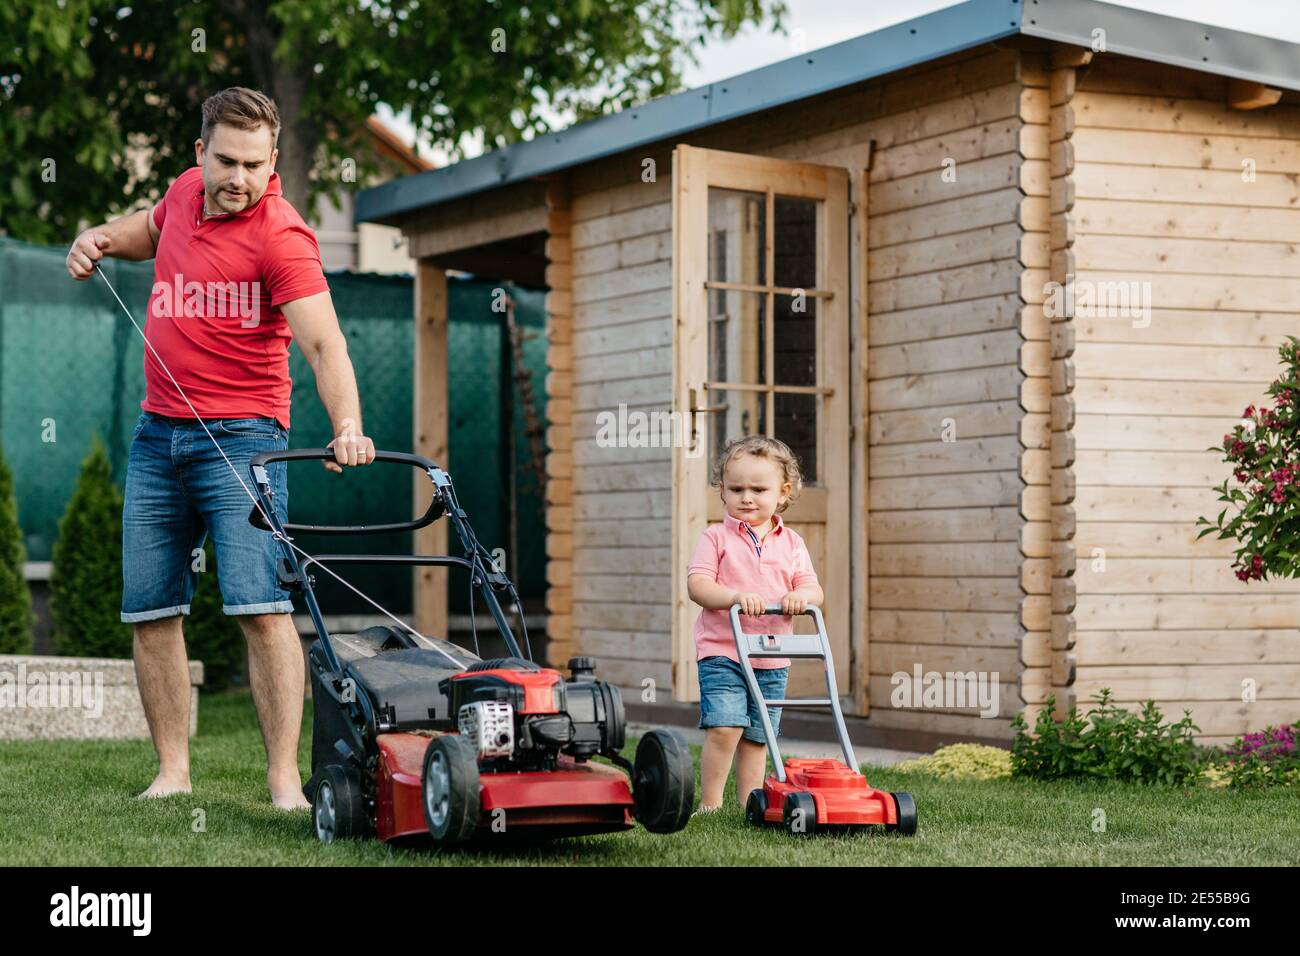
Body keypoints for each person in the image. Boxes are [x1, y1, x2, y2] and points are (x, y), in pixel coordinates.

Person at [65, 87, 376, 809]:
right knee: (151, 612)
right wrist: (96, 237)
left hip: (243, 443)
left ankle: (281, 784)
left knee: (262, 609)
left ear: (275, 164)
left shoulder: (283, 236)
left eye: (255, 165)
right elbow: (142, 230)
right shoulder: (181, 195)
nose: (239, 178)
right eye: (226, 161)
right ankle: (173, 774)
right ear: (200, 153)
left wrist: (349, 425)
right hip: (155, 438)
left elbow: (325, 344)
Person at [686, 435, 824, 812]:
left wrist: (801, 597)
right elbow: (698, 586)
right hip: (723, 652)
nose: (746, 497)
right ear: (722, 491)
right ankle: (711, 805)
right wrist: (732, 596)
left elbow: (814, 589)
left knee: (757, 737)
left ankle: (751, 805)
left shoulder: (792, 543)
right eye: (736, 489)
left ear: (783, 493)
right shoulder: (715, 537)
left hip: (772, 657)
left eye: (758, 489)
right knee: (725, 727)